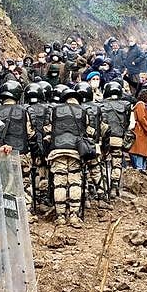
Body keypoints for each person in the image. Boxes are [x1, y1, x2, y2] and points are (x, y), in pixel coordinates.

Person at [48, 88, 92, 228]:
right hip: (75, 151)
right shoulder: (83, 111)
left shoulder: (54, 110)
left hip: (57, 150)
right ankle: (73, 215)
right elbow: (88, 131)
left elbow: (47, 129)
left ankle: (60, 216)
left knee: (59, 183)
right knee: (74, 182)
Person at [0, 80, 36, 209]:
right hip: (21, 153)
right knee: (25, 183)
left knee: (5, 184)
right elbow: (30, 134)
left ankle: (8, 213)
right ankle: (26, 213)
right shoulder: (24, 111)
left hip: (1, 154)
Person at [75, 82, 110, 214]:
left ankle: (85, 198)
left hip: (78, 146)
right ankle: (101, 197)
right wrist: (105, 148)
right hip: (94, 145)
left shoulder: (75, 109)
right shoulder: (98, 108)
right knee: (96, 171)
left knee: (80, 172)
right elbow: (105, 128)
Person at [101, 82, 134, 198]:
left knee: (100, 163)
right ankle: (114, 187)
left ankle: (101, 188)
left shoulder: (100, 104)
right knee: (116, 163)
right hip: (118, 138)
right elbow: (130, 124)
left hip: (103, 139)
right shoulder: (126, 105)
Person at [24, 82, 52, 213]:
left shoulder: (24, 110)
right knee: (43, 174)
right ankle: (42, 200)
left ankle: (32, 201)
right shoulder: (48, 109)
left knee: (31, 174)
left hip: (29, 146)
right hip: (44, 146)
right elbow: (49, 129)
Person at [130, 89, 147, 173]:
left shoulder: (142, 105)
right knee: (140, 151)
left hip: (142, 131)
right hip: (140, 131)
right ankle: (139, 168)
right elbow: (142, 119)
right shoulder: (140, 105)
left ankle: (142, 168)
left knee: (142, 151)